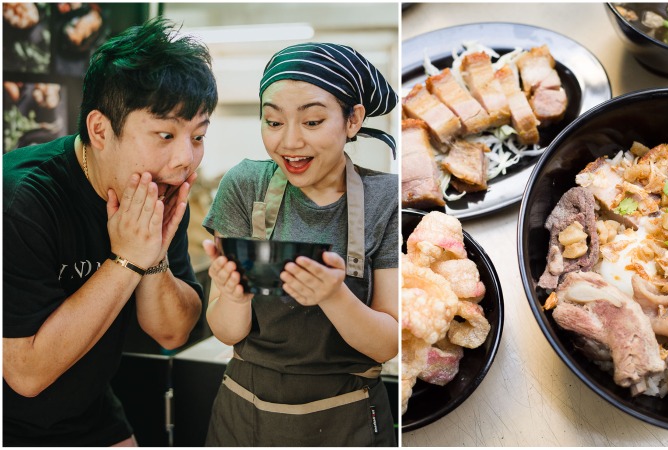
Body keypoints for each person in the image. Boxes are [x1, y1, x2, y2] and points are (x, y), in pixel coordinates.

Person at [2, 17, 218, 446]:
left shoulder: (158, 188)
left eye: (197, 136)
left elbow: (173, 332)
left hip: (90, 408)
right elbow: (25, 373)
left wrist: (153, 257)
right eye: (164, 133)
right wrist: (125, 260)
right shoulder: (22, 198)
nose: (185, 159)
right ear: (101, 130)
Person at [201, 42, 399, 446]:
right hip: (244, 411)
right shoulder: (244, 186)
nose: (289, 143)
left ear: (353, 120)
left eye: (311, 122)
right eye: (273, 122)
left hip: (348, 415)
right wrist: (235, 298)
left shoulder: (386, 198)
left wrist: (333, 296)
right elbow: (225, 330)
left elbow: (389, 344)